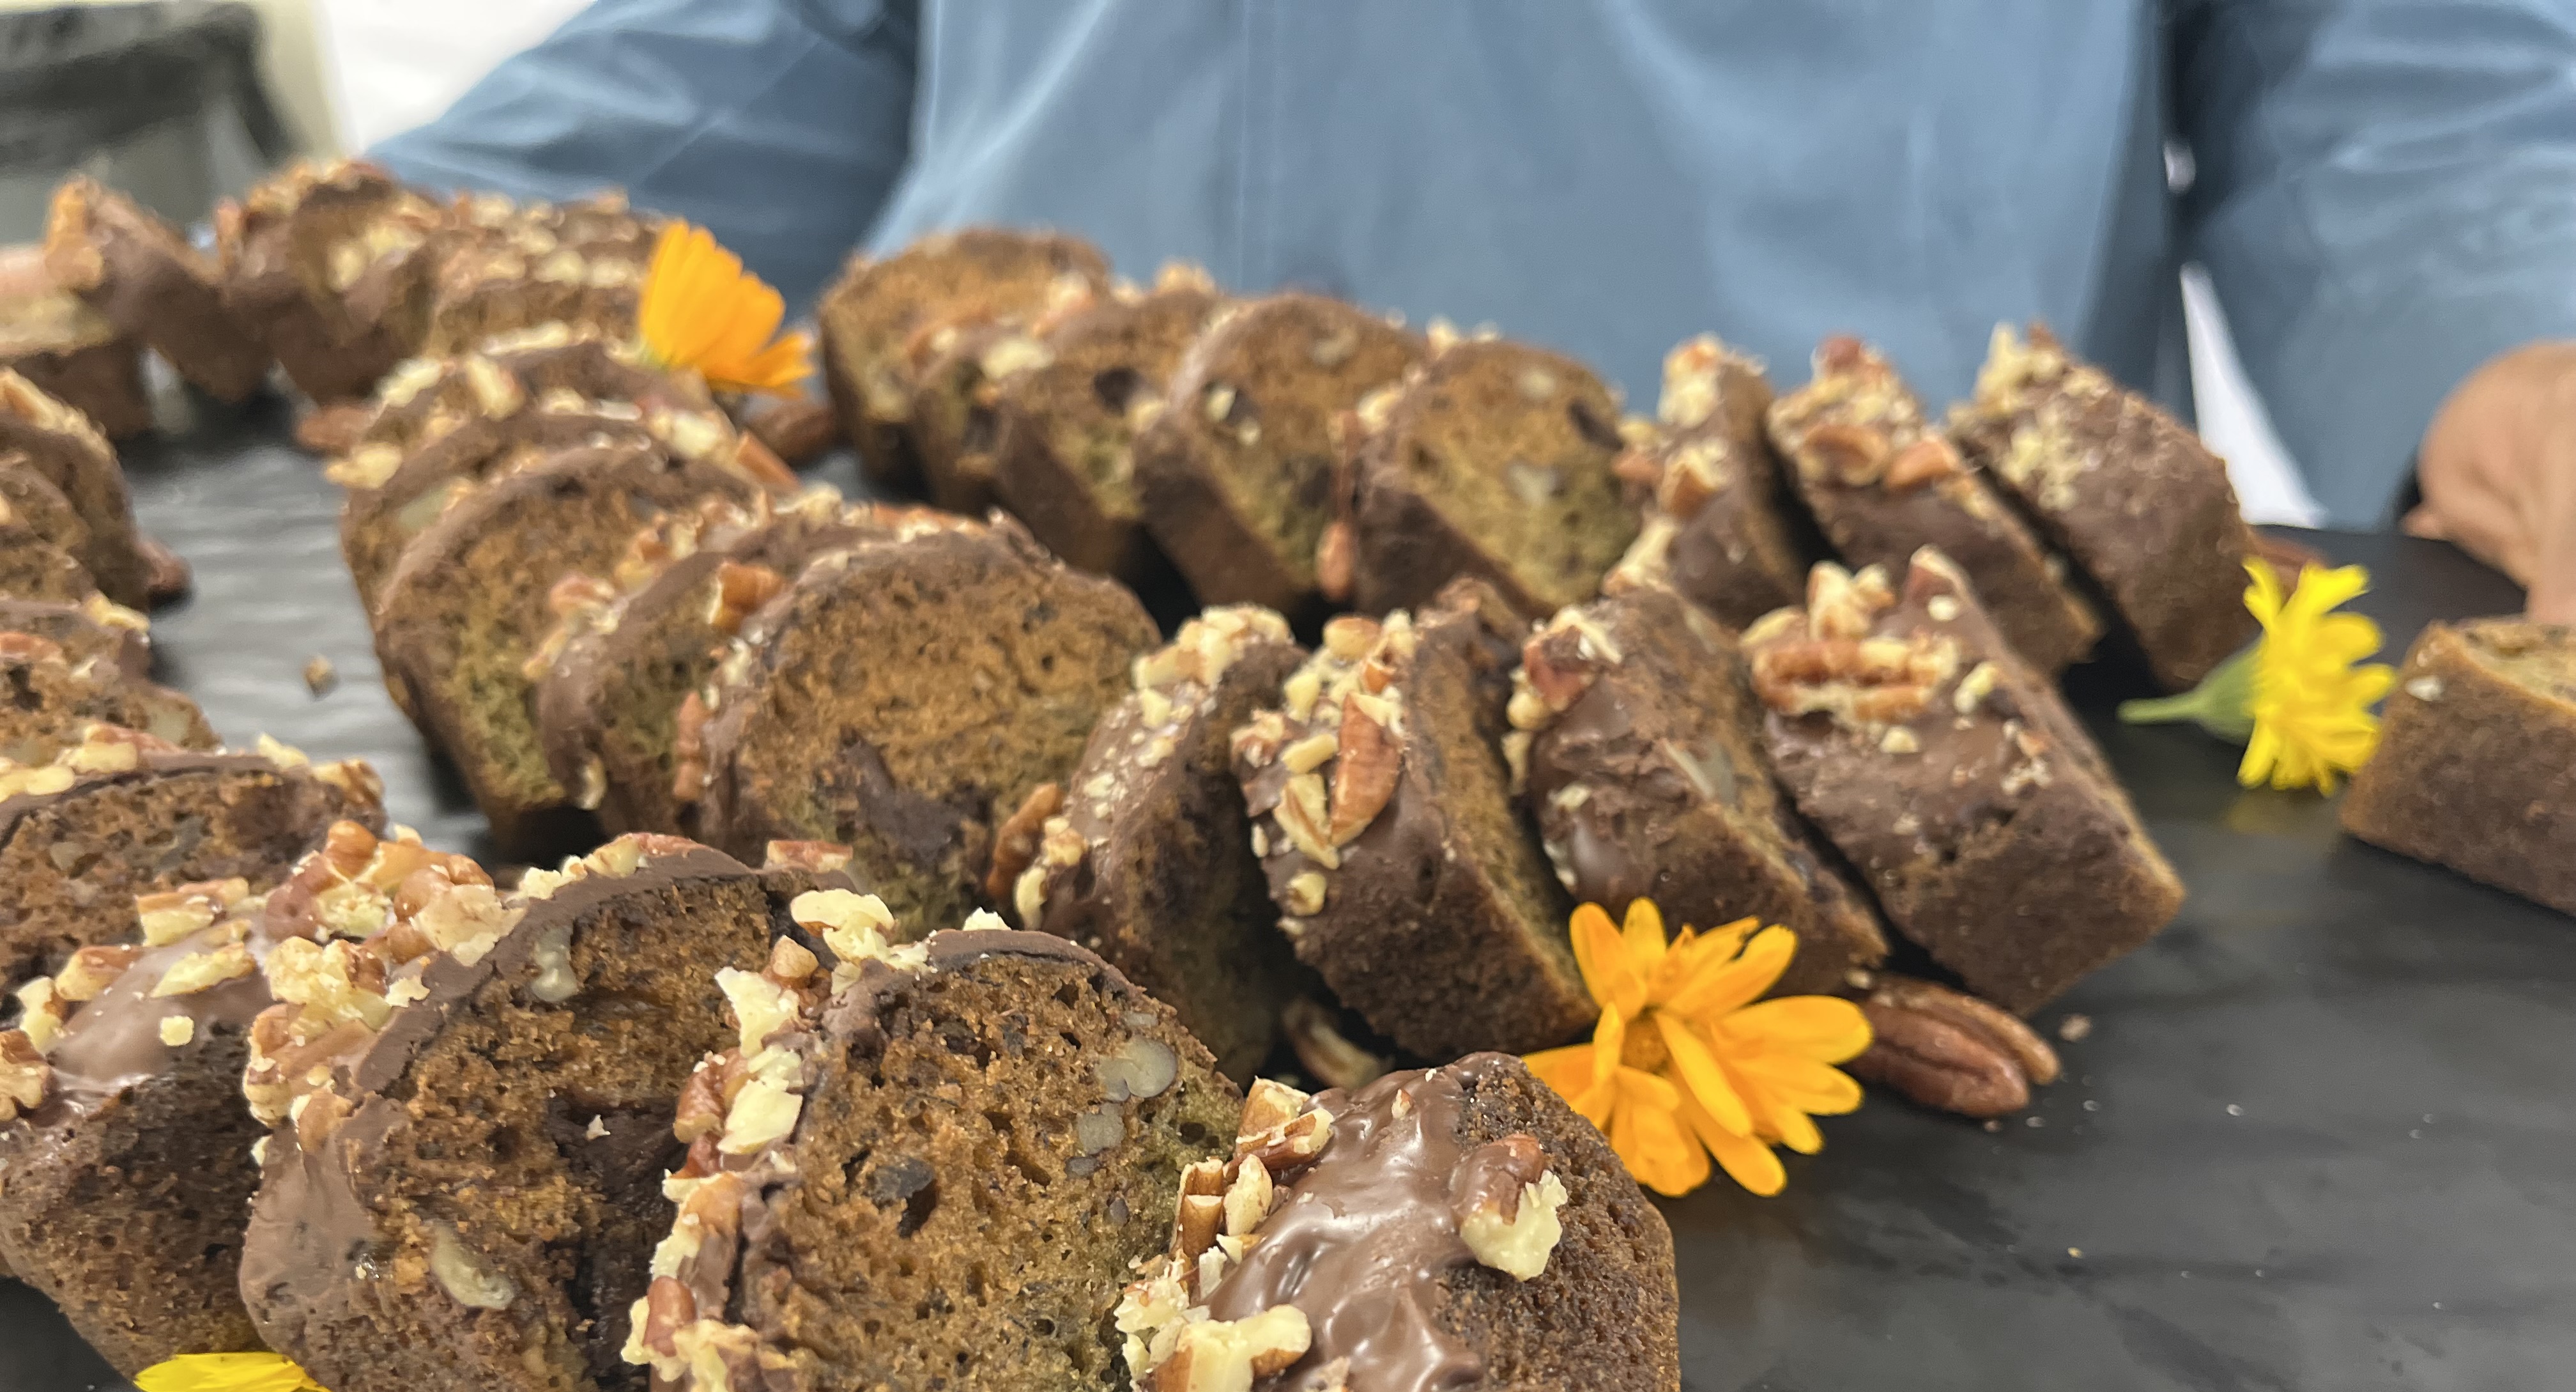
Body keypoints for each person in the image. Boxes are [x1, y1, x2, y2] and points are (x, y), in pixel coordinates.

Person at [373, 1, 2576, 615]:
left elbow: (2400, 68)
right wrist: (390, 229)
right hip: (977, 605)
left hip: (1814, 663)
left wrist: (2506, 318)